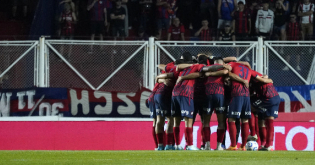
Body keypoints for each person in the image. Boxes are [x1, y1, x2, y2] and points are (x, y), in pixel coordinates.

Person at [251, 70, 280, 151]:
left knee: (249, 107)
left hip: (268, 98)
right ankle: (267, 145)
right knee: (268, 120)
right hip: (274, 98)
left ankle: (253, 134)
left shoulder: (254, 78)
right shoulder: (262, 80)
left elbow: (264, 79)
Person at [226, 61, 252, 151]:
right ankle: (243, 146)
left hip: (237, 93)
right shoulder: (248, 68)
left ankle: (233, 145)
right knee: (245, 119)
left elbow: (228, 72)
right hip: (246, 94)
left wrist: (228, 73)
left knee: (231, 119)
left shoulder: (232, 64)